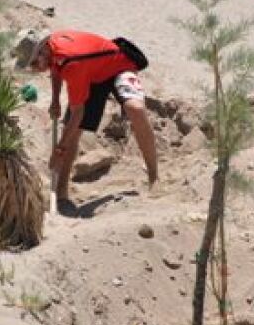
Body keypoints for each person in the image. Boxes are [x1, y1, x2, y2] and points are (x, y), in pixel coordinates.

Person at [14, 29, 158, 213]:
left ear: (43, 51)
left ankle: (154, 178)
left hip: (119, 65)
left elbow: (78, 113)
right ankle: (62, 192)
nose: (34, 69)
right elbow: (56, 70)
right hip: (91, 74)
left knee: (135, 109)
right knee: (72, 132)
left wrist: (59, 150)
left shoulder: (71, 62)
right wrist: (55, 99)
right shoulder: (53, 47)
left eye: (34, 63)